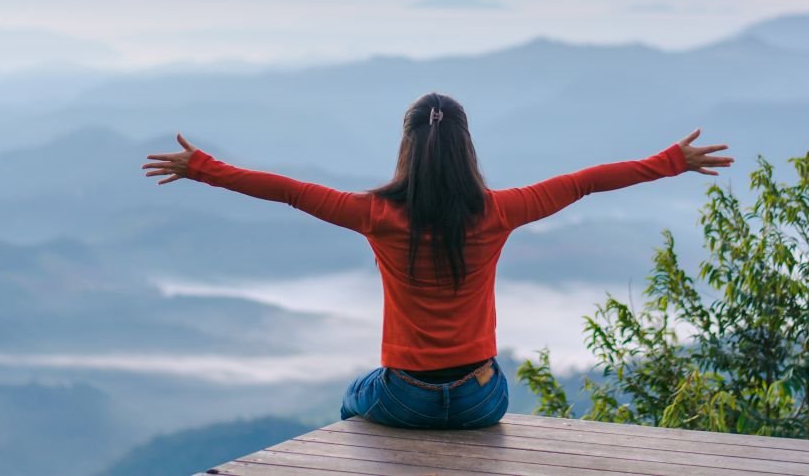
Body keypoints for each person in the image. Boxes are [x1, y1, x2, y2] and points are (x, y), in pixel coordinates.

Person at [142, 92, 733, 430]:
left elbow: (289, 190)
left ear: (406, 149)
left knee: (352, 402)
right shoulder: (498, 212)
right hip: (482, 398)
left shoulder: (376, 214)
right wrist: (671, 161)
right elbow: (583, 183)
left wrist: (203, 168)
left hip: (403, 395)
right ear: (467, 149)